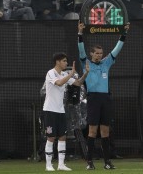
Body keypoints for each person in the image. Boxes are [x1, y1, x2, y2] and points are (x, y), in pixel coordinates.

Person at [77, 21, 129, 170]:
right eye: (97, 53)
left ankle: (107, 162)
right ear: (92, 54)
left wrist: (123, 34)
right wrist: (80, 34)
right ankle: (89, 162)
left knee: (105, 131)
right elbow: (80, 50)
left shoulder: (106, 63)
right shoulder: (86, 63)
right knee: (93, 131)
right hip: (93, 99)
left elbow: (117, 49)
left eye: (101, 53)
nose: (99, 55)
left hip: (106, 99)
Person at [43, 52, 89, 171]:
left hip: (60, 111)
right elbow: (59, 83)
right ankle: (48, 165)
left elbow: (78, 83)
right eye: (64, 61)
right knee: (51, 137)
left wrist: (86, 73)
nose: (66, 63)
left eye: (66, 61)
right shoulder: (51, 73)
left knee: (62, 136)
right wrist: (71, 74)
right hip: (50, 110)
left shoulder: (64, 74)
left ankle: (61, 164)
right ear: (57, 62)